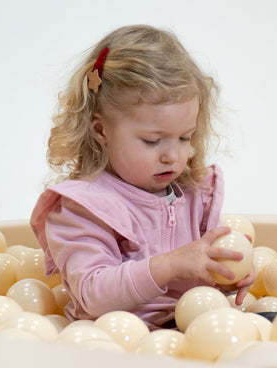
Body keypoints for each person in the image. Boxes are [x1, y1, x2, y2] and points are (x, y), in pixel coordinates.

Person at [30, 25, 254, 330]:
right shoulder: (83, 208)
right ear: (101, 130)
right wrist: (171, 264)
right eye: (152, 141)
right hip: (121, 345)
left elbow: (203, 279)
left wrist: (227, 275)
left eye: (184, 138)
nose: (172, 156)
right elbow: (93, 294)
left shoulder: (192, 194)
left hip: (193, 333)